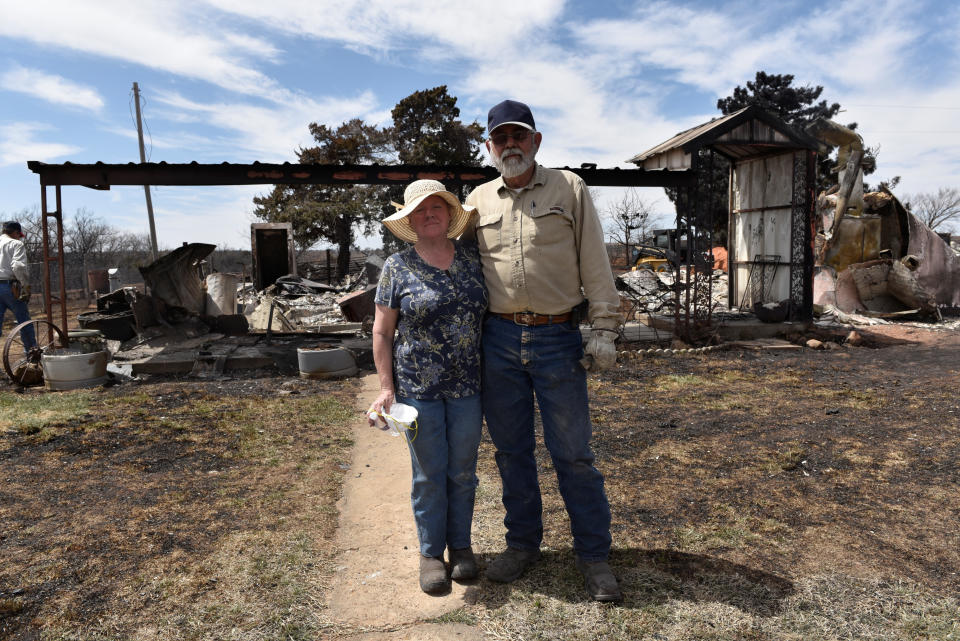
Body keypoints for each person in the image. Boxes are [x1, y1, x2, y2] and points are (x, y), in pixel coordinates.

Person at [464, 100, 623, 601]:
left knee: (573, 454)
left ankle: (595, 557)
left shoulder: (568, 188)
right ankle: (522, 544)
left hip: (558, 337)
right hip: (499, 339)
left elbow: (594, 258)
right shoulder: (476, 202)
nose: (510, 144)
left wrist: (604, 327)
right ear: (489, 147)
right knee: (512, 452)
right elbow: (462, 269)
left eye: (520, 135)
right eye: (501, 137)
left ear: (536, 141)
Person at [368, 179, 488, 594]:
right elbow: (382, 333)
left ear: (450, 215)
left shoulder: (472, 259)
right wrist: (387, 389)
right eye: (420, 210)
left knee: (463, 471)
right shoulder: (396, 267)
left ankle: (462, 546)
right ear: (410, 220)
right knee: (428, 474)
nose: (430, 214)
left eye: (437, 207)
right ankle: (430, 553)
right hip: (417, 391)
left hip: (469, 387)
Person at [0, 221, 36, 351]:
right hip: (9, 287)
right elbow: (18, 266)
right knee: (24, 321)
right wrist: (25, 286)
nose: (19, 237)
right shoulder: (16, 244)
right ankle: (32, 357)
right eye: (18, 235)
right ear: (15, 232)